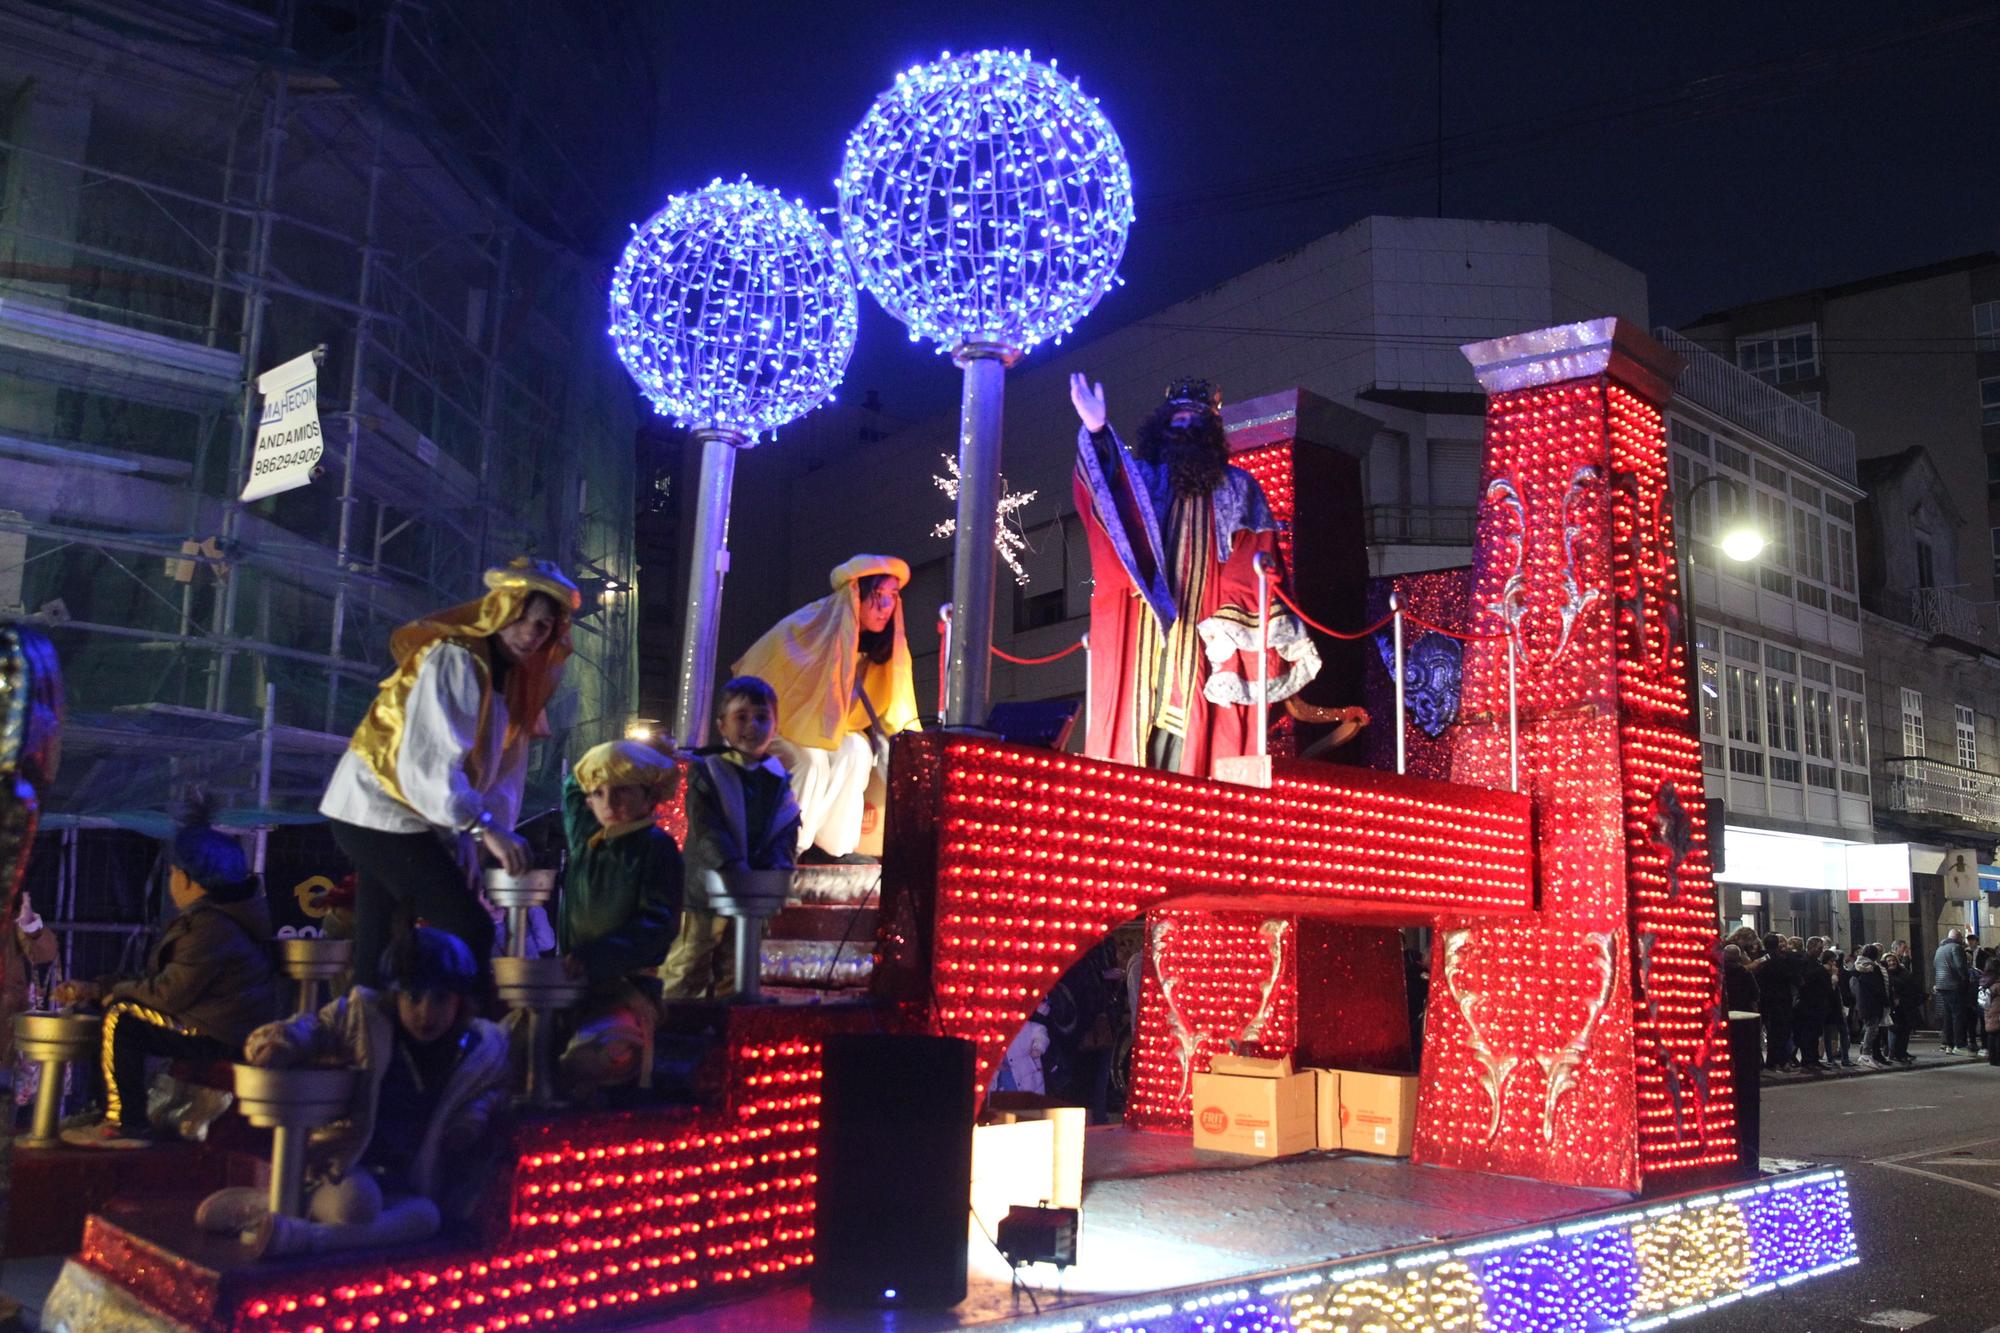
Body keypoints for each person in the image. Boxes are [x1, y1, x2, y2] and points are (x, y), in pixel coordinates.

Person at [320, 557, 579, 988]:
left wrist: (471, 838)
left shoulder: (512, 685)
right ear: (499, 610)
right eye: (523, 617)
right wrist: (483, 829)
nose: (532, 633)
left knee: (381, 943)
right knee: (469, 929)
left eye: (544, 625)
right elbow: (428, 764)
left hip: (398, 817)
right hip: (379, 811)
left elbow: (497, 779)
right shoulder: (457, 660)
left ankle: (373, 1038)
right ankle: (460, 1042)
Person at [195, 928, 510, 1257]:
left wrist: (473, 1117)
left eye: (441, 999)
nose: (426, 1013)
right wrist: (277, 1044)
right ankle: (271, 1205)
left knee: (427, 1217)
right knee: (357, 1205)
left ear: (460, 1002)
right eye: (414, 997)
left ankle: (299, 1234)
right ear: (396, 995)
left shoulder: (478, 1051)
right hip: (342, 1167)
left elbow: (491, 1091)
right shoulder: (362, 1021)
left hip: (404, 1181)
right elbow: (311, 1029)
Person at [1069, 374, 1321, 777]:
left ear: (1209, 432)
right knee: (1135, 729)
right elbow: (1105, 495)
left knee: (1195, 735)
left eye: (1193, 421)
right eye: (1176, 420)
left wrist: (1229, 627)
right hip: (1140, 634)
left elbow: (1254, 562)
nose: (1183, 427)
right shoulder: (1143, 480)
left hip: (1202, 638)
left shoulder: (1238, 488)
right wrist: (1098, 431)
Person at [58, 800, 283, 1148]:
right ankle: (106, 1109)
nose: (172, 882)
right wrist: (100, 987)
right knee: (116, 1010)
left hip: (218, 1033)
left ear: (192, 881)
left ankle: (125, 1124)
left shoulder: (211, 927)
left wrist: (115, 993)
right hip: (211, 1023)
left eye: (174, 874)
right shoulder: (210, 922)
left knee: (122, 1017)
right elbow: (163, 983)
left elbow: (168, 994)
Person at [731, 558, 917, 862]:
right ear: (856, 593)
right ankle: (786, 849)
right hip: (774, 728)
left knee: (857, 750)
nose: (885, 605)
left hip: (825, 730)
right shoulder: (806, 628)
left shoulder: (883, 647)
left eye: (893, 595)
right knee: (811, 760)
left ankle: (833, 848)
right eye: (877, 594)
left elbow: (895, 705)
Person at [554, 740, 684, 1095]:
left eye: (622, 791)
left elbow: (657, 925)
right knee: (515, 1049)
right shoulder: (588, 839)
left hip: (627, 989)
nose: (608, 803)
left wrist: (595, 957)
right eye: (598, 792)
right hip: (573, 987)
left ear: (649, 795)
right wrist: (616, 751)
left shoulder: (656, 847)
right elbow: (572, 786)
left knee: (598, 1056)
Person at [660, 677, 801, 1001]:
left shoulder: (777, 781)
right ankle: (672, 1028)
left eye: (762, 717)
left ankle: (726, 1030)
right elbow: (708, 828)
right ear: (722, 726)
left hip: (752, 895)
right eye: (741, 717)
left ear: (775, 724)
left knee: (738, 968)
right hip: (708, 891)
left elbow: (786, 827)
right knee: (689, 964)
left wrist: (778, 866)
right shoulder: (708, 772)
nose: (752, 726)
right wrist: (732, 865)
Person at [1757, 932, 1799, 1070]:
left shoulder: (1762, 959)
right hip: (1781, 1000)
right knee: (1780, 1033)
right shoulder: (1782, 960)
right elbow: (1791, 977)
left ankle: (1771, 1062)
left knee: (1770, 1032)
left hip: (1765, 999)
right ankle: (1779, 1061)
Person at [1933, 927, 1974, 1055]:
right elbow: (1960, 967)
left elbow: (1935, 965)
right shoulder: (1956, 948)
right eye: (1961, 938)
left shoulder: (1940, 949)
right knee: (1958, 1016)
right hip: (1954, 986)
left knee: (1948, 1016)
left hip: (1942, 985)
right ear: (1958, 938)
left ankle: (1948, 1044)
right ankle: (1960, 1045)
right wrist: (1965, 982)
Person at [1853, 943, 1890, 1067]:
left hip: (1863, 1003)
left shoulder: (1859, 966)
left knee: (1869, 1027)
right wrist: (1885, 1000)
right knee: (1872, 1028)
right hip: (1872, 1004)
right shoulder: (1872, 968)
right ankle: (1865, 1054)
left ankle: (1866, 1052)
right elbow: (1877, 988)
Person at [1885, 948, 1924, 1065]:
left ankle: (1902, 1052)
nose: (1892, 963)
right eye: (1889, 961)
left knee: (1905, 1031)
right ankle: (1894, 1053)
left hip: (1906, 1006)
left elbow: (1912, 986)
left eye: (1893, 960)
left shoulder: (1904, 972)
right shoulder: (1886, 975)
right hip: (1894, 1007)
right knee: (1896, 1031)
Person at [1722, 943, 1760, 1015]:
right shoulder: (1745, 973)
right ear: (1739, 958)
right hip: (1743, 1011)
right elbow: (1756, 994)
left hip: (1724, 1011)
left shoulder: (1718, 974)